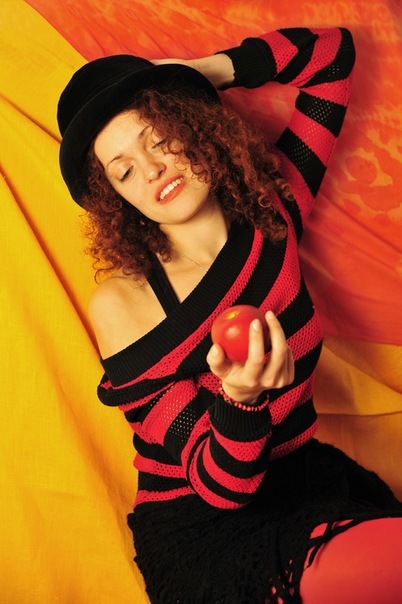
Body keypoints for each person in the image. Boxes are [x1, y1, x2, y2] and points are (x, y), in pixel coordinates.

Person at [57, 26, 402, 604]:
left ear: (193, 126)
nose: (151, 169)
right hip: (208, 530)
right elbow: (222, 488)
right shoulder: (126, 303)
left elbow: (333, 58)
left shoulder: (275, 210)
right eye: (124, 170)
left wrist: (204, 73)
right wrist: (242, 398)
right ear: (118, 198)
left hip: (307, 484)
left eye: (159, 137)